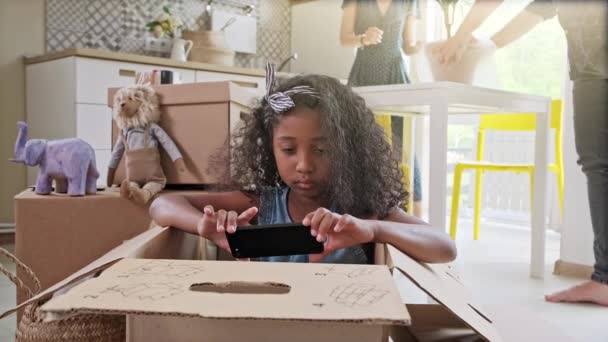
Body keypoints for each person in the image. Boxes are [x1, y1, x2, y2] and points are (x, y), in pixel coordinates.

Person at [150, 63, 456, 265]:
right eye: (288, 149)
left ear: (348, 149)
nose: (304, 165)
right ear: (270, 148)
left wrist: (373, 229)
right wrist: (207, 228)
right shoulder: (260, 204)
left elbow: (444, 247)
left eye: (321, 149)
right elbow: (163, 204)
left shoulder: (363, 210)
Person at [435, 0, 608, 306]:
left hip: (596, 64)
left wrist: (460, 36)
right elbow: (540, 8)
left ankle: (605, 281)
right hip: (591, 63)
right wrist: (486, 44)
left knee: (599, 166)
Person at [340, 0, 424, 218]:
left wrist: (418, 47)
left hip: (396, 75)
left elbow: (408, 44)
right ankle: (357, 209)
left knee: (404, 144)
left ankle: (415, 216)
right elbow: (344, 38)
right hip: (364, 75)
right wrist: (362, 38)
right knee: (358, 142)